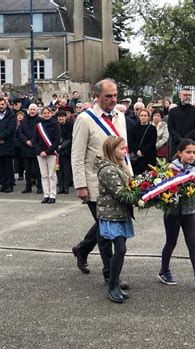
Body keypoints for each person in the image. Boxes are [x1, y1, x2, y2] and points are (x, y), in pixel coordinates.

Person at [71, 78, 130, 290]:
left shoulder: (120, 116)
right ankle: (110, 276)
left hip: (118, 182)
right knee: (106, 231)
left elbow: (124, 151)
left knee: (104, 223)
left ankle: (82, 249)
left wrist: (130, 179)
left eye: (115, 95)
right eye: (108, 96)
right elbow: (77, 154)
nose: (113, 100)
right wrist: (80, 185)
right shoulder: (85, 119)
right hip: (95, 183)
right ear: (97, 97)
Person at [158, 138, 195, 289]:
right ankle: (163, 271)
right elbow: (165, 187)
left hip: (189, 212)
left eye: (194, 152)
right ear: (179, 153)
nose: (191, 155)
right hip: (172, 213)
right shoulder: (171, 168)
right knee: (171, 242)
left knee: (193, 243)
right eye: (188, 152)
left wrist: (194, 191)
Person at [96, 136, 134, 303]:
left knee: (121, 249)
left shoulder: (120, 167)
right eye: (121, 148)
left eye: (125, 148)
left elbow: (130, 186)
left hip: (120, 214)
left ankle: (115, 284)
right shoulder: (108, 170)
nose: (125, 151)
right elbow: (120, 193)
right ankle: (112, 285)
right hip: (111, 215)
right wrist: (144, 196)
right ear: (112, 151)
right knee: (120, 249)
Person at [32, 106, 61, 203]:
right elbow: (34, 140)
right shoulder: (38, 125)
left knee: (52, 175)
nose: (46, 114)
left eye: (48, 112)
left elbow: (57, 140)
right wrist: (40, 151)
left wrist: (47, 151)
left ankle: (52, 195)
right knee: (44, 175)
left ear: (51, 113)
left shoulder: (55, 124)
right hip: (40, 153)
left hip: (51, 153)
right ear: (42, 114)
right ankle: (46, 194)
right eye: (44, 113)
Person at [167, 87, 195, 160]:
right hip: (176, 145)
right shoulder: (173, 111)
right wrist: (179, 139)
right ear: (180, 96)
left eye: (189, 95)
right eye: (185, 95)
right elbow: (170, 127)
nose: (188, 97)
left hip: (191, 145)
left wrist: (186, 140)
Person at [0, 97, 16, 193]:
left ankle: (9, 185)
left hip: (7, 144)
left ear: (6, 104)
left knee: (8, 166)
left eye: (2, 104)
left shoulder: (12, 116)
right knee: (0, 166)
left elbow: (11, 129)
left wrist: (0, 137)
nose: (1, 106)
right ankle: (3, 184)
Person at [17, 104, 42, 194]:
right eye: (30, 109)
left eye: (34, 109)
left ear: (37, 110)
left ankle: (40, 187)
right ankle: (28, 187)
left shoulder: (40, 120)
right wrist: (26, 141)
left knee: (38, 169)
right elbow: (19, 132)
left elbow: (41, 133)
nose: (32, 111)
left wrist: (33, 141)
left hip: (37, 147)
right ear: (28, 110)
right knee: (28, 169)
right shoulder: (24, 120)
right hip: (26, 147)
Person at [131, 109, 157, 174]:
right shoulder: (134, 128)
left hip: (149, 157)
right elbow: (131, 141)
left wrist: (142, 151)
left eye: (145, 115)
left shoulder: (152, 128)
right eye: (141, 115)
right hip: (137, 158)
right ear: (139, 116)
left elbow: (152, 142)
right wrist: (137, 151)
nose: (143, 117)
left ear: (148, 117)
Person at [56, 110, 73, 194]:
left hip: (66, 150)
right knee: (58, 169)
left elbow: (70, 138)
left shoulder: (70, 125)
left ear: (65, 117)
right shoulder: (56, 125)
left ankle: (66, 187)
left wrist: (61, 146)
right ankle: (60, 187)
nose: (60, 118)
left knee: (66, 169)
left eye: (62, 116)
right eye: (59, 117)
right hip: (57, 151)